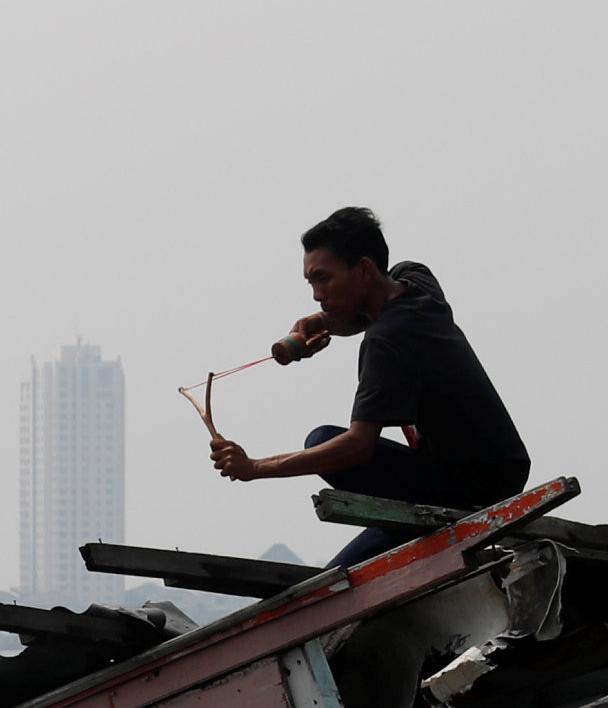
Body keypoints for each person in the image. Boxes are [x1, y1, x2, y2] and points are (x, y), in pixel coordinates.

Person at [208, 206, 529, 564]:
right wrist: (323, 323)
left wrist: (255, 468)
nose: (316, 294)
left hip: (472, 489)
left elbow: (358, 447)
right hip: (504, 468)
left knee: (322, 442)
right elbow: (372, 307)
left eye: (323, 279)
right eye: (311, 283)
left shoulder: (385, 341)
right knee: (330, 579)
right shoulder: (417, 281)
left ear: (362, 268)